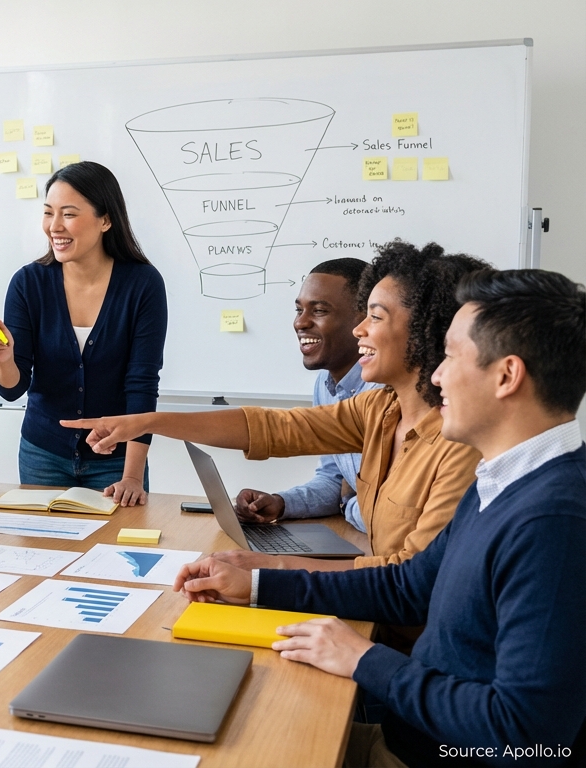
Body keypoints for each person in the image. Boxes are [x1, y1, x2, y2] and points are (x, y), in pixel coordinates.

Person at [173, 269, 586, 768]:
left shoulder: (554, 522)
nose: (436, 375)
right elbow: (408, 586)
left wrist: (363, 660)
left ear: (507, 375)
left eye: (451, 357)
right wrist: (256, 584)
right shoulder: (501, 481)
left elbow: (525, 735)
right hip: (405, 737)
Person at [63, 241, 485, 573]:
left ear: (422, 330)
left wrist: (268, 568)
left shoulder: (458, 441)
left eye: (374, 317)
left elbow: (409, 577)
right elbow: (274, 428)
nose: (360, 330)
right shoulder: (380, 408)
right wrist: (149, 420)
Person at [0, 161, 166, 505]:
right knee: (43, 554)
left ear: (106, 220)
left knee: (115, 556)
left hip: (116, 463)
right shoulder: (27, 284)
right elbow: (12, 389)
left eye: (68, 214)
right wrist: (5, 361)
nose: (54, 226)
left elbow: (141, 384)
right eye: (48, 213)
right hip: (42, 456)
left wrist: (132, 476)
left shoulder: (142, 285)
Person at [234, 258, 380, 529]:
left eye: (320, 311)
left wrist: (347, 503)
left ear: (364, 319)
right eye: (299, 309)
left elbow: (387, 516)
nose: (300, 323)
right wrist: (281, 503)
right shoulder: (325, 383)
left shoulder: (387, 392)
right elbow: (334, 479)